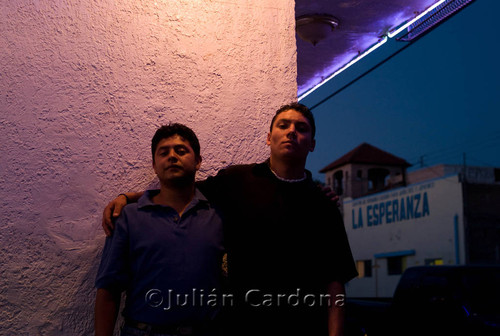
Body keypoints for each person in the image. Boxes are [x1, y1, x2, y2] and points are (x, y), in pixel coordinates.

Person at [102, 103, 357, 336]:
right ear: (269, 138)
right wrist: (129, 197)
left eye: (301, 128)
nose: (291, 132)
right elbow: (181, 187)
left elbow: (335, 282)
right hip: (241, 326)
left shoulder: (323, 205)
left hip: (305, 326)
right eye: (283, 125)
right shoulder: (237, 181)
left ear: (312, 143)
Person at [94, 123, 224, 336]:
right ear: (154, 165)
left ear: (198, 161)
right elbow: (109, 289)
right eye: (164, 152)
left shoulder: (217, 216)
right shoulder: (129, 216)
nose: (172, 156)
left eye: (181, 151)